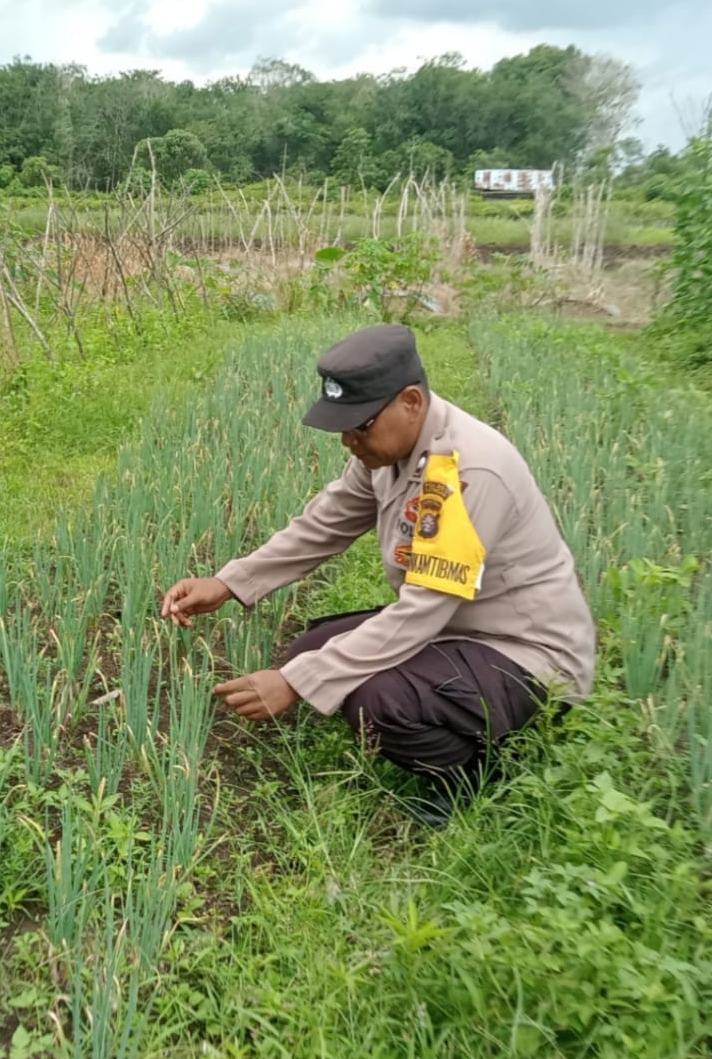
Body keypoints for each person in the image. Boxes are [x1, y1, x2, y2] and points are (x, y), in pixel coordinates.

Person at [161, 325, 595, 820]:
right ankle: (446, 716)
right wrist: (229, 583)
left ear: (411, 402)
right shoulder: (389, 452)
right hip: (459, 626)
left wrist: (297, 683)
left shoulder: (468, 471)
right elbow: (325, 524)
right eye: (343, 427)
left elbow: (422, 611)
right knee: (310, 651)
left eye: (360, 426)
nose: (348, 441)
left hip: (525, 654)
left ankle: (478, 774)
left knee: (376, 700)